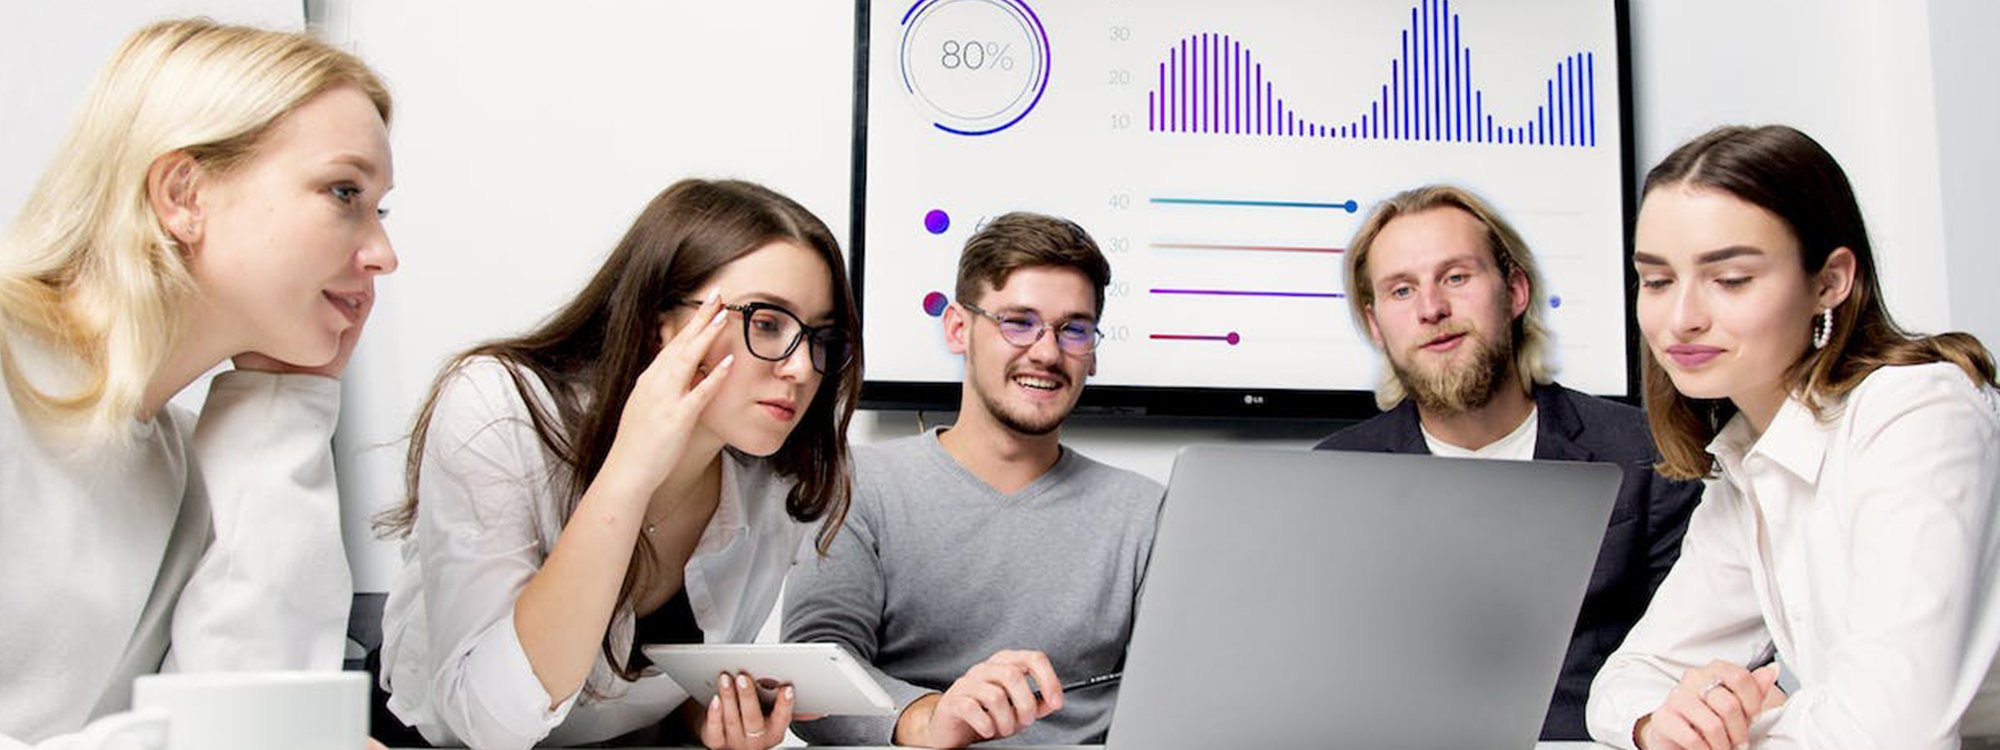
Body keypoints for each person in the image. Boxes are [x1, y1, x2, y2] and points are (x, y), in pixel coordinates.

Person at [0, 19, 396, 747]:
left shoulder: (186, 457)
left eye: (381, 209)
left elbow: (261, 715)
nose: (383, 254)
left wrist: (284, 402)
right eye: (344, 193)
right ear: (184, 194)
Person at [374, 178, 861, 750]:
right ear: (663, 322)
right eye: (767, 323)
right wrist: (630, 471)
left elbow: (657, 693)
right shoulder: (499, 408)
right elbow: (489, 723)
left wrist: (704, 719)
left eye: (820, 337)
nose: (802, 368)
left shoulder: (774, 481)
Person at [1584, 124, 2000, 750]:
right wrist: (1659, 723)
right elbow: (1627, 682)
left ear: (1830, 281)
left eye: (1730, 279)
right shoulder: (1751, 454)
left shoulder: (1918, 413)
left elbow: (1892, 734)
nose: (1681, 318)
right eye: (1658, 280)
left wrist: (1740, 727)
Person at [1315, 184, 1703, 740]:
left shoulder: (1645, 454)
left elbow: (1695, 658)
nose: (1432, 310)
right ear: (1376, 326)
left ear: (1515, 290)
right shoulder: (1333, 478)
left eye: (1456, 277)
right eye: (1402, 290)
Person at [783, 212, 1163, 747]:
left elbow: (1182, 687)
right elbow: (813, 676)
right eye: (1018, 321)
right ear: (958, 328)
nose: (1048, 352)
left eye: (1073, 328)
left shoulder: (1148, 513)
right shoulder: (857, 485)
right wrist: (929, 719)